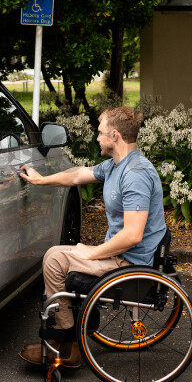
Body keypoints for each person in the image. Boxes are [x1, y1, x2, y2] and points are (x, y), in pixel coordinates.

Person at [18, 106, 167, 368]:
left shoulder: (135, 175)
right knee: (56, 255)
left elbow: (133, 235)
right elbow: (77, 174)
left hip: (130, 262)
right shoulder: (115, 166)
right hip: (121, 254)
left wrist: (93, 252)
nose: (96, 138)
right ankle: (66, 339)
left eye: (100, 133)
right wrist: (41, 180)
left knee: (54, 259)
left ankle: (67, 345)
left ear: (115, 135)